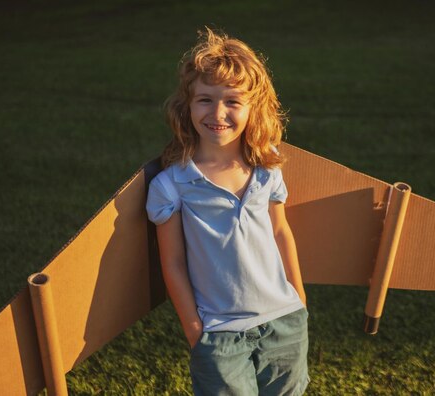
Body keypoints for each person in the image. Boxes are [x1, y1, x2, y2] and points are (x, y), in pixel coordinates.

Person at [146, 27, 309, 395]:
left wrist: (299, 300)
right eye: (205, 99)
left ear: (253, 109)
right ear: (187, 106)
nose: (217, 112)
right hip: (218, 334)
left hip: (284, 322)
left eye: (232, 101)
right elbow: (172, 262)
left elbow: (281, 233)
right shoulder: (171, 186)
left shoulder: (268, 171)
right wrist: (194, 329)